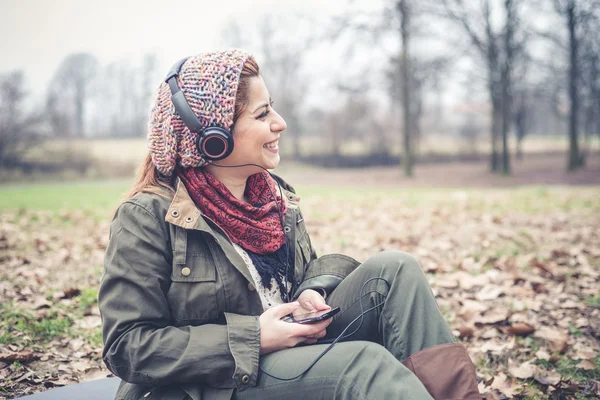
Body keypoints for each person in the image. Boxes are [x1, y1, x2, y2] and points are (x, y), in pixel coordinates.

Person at [98, 49, 480, 400]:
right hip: (213, 385)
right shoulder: (147, 215)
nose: (279, 124)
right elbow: (127, 346)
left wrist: (310, 291)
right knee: (362, 364)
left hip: (287, 351)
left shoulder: (272, 197)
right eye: (262, 114)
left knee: (396, 269)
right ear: (212, 138)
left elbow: (298, 275)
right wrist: (254, 337)